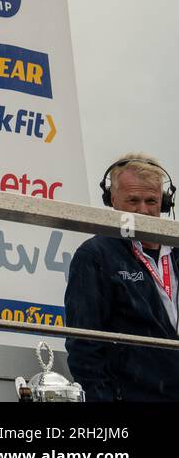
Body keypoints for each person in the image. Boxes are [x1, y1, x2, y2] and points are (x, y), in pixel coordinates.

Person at [65, 154, 179, 401]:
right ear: (112, 200)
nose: (143, 210)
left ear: (165, 202)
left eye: (151, 201)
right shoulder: (95, 256)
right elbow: (84, 348)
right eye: (133, 200)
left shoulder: (176, 251)